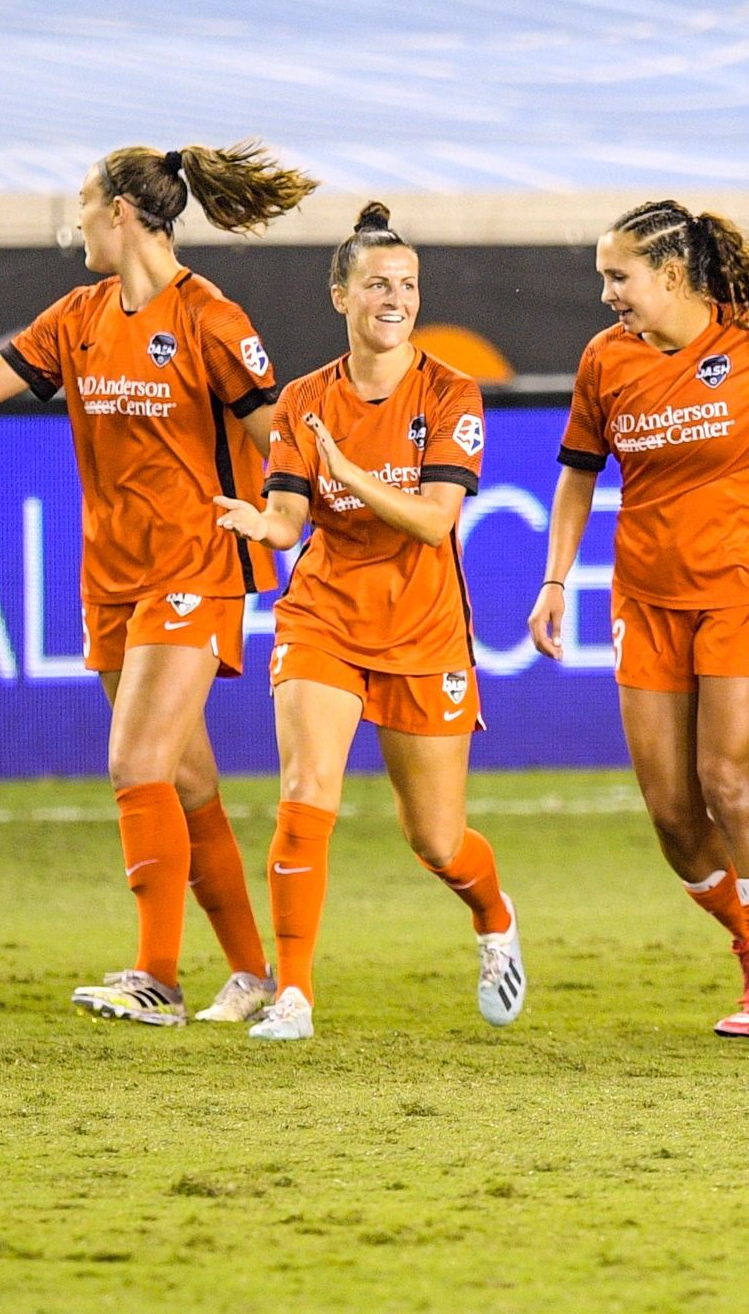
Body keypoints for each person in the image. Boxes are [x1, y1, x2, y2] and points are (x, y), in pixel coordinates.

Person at [0, 142, 313, 1028]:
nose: (73, 217)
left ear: (121, 211)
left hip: (195, 564)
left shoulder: (211, 318)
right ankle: (253, 973)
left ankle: (157, 976)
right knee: (185, 783)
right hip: (111, 574)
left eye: (82, 201)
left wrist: (283, 518)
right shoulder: (79, 314)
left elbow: (283, 432)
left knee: (135, 762)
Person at [211, 203, 526, 1041]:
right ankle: (295, 996)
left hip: (424, 629)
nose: (396, 298)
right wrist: (259, 524)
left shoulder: (450, 392)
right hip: (325, 615)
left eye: (408, 285)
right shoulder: (304, 400)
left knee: (437, 841)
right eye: (378, 284)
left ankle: (494, 919)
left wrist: (348, 467)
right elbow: (288, 519)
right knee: (305, 794)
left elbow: (432, 521)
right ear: (340, 296)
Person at [528, 199, 749, 1039]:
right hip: (645, 598)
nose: (606, 295)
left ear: (669, 274)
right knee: (671, 813)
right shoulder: (605, 359)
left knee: (728, 785)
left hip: (743, 590)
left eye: (617, 277)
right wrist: (555, 580)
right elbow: (580, 473)